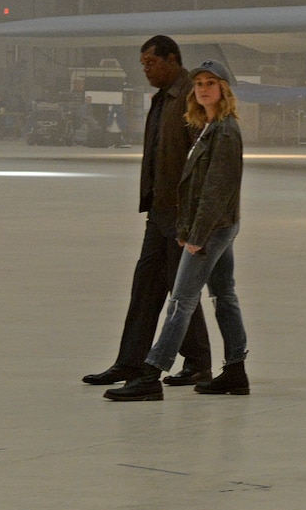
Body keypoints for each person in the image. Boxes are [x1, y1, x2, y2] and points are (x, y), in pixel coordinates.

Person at [106, 60, 250, 400]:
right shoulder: (209, 126)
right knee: (224, 296)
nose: (202, 88)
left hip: (213, 229)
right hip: (219, 226)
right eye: (199, 83)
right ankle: (235, 371)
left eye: (210, 83)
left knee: (181, 301)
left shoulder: (225, 131)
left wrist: (195, 235)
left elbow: (216, 190)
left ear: (223, 90)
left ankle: (151, 374)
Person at [81, 36, 212, 388]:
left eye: (151, 63)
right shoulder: (162, 99)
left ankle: (197, 363)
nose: (146, 70)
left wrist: (196, 217)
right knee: (147, 287)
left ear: (172, 60)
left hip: (180, 213)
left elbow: (203, 160)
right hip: (159, 210)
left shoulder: (189, 98)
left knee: (177, 288)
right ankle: (130, 362)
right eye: (143, 64)